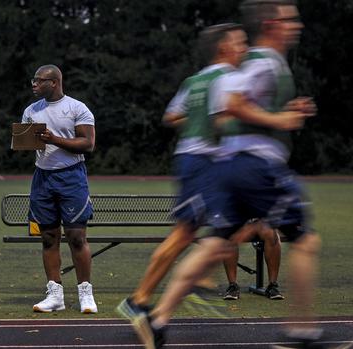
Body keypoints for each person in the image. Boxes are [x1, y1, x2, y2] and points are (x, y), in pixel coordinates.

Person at [133, 1, 321, 348]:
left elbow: (223, 116)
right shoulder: (261, 60)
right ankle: (302, 333)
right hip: (254, 166)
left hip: (228, 166)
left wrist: (282, 112)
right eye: (290, 19)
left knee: (216, 242)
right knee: (306, 240)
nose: (297, 25)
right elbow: (231, 106)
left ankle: (157, 320)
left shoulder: (244, 67)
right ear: (271, 24)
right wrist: (280, 120)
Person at [117, 23, 252, 321]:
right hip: (206, 162)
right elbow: (223, 123)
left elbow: (172, 115)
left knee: (198, 231)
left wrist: (196, 124)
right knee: (214, 228)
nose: (245, 47)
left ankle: (151, 295)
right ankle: (186, 286)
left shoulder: (195, 80)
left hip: (193, 159)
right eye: (240, 42)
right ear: (223, 48)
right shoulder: (229, 77)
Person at [22, 64, 98, 314]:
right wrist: (24, 141)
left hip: (71, 176)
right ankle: (55, 295)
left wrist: (54, 139)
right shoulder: (31, 111)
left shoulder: (77, 108)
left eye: (38, 80)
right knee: (48, 238)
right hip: (43, 177)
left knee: (77, 237)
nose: (33, 84)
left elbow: (88, 144)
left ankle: (86, 294)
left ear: (53, 82)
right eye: (33, 80)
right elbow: (26, 145)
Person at [222, 222, 284, 300]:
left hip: (259, 220)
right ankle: (232, 286)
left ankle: (272, 286)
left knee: (272, 234)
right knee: (229, 235)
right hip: (239, 219)